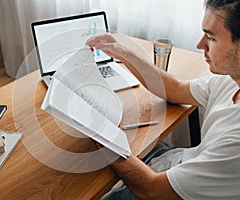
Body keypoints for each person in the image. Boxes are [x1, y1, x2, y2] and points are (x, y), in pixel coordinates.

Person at [86, 0, 240, 199]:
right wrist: (121, 52)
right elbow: (175, 89)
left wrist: (102, 133)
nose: (200, 44)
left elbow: (152, 190)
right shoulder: (230, 82)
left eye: (211, 37)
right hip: (180, 166)